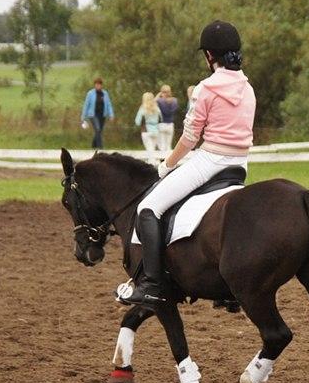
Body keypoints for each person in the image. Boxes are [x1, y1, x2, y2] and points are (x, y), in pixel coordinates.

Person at [117, 20, 255, 306]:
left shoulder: (206, 88)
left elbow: (190, 137)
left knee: (148, 207)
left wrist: (167, 164)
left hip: (209, 162)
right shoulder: (248, 88)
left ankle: (153, 284)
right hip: (239, 166)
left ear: (209, 55)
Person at [81, 78, 114, 149]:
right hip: (93, 115)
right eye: (96, 84)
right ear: (94, 85)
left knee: (99, 131)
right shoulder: (90, 93)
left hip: (102, 115)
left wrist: (111, 114)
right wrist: (83, 117)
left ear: (101, 85)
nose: (98, 86)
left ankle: (93, 145)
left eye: (99, 84)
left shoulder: (105, 93)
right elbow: (86, 105)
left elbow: (108, 104)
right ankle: (100, 147)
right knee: (98, 129)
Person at [155, 84, 178, 151]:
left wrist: (158, 95)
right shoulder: (175, 101)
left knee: (162, 145)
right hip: (170, 124)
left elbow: (152, 103)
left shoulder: (159, 101)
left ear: (162, 92)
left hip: (161, 124)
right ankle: (169, 160)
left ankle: (163, 160)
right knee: (168, 146)